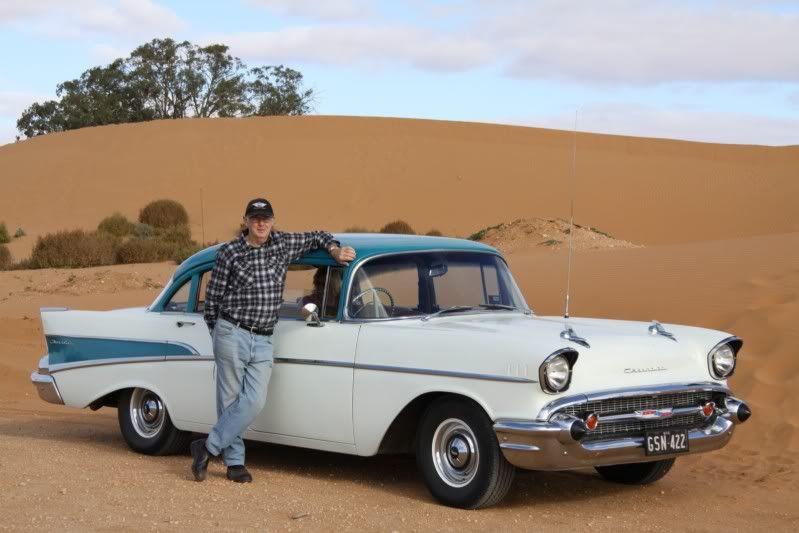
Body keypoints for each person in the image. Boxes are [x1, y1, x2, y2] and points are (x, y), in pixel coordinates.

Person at [190, 197, 356, 483]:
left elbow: (317, 235)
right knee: (229, 401)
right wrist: (219, 332)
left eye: (266, 218)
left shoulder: (281, 243)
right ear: (245, 221)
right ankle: (235, 464)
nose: (261, 223)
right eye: (255, 219)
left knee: (253, 400)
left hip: (265, 336)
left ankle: (207, 446)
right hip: (232, 331)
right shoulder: (230, 252)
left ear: (273, 221)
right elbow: (214, 297)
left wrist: (334, 249)